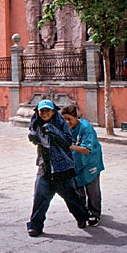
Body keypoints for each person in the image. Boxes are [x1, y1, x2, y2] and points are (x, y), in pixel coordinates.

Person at [26, 100, 90, 237]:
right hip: (45, 166)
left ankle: (82, 217)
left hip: (62, 168)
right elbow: (35, 136)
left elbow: (67, 142)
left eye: (47, 111)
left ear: (53, 111)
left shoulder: (60, 123)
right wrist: (33, 136)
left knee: (71, 198)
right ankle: (35, 226)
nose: (44, 113)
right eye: (41, 111)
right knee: (39, 197)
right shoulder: (36, 122)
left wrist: (54, 131)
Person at [62, 105, 104, 225]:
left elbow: (86, 150)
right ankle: (82, 212)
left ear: (76, 117)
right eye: (64, 119)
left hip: (91, 162)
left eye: (69, 119)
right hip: (75, 163)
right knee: (78, 189)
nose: (67, 122)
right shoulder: (65, 128)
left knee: (92, 190)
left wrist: (68, 146)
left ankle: (95, 214)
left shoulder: (86, 128)